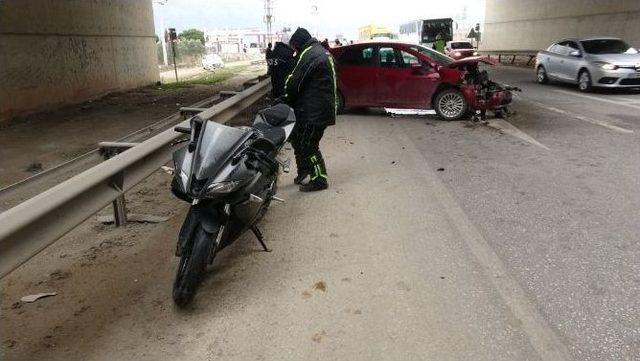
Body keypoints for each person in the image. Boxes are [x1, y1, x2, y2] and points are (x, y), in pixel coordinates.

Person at [284, 27, 337, 192]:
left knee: (308, 144)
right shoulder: (321, 51)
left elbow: (294, 82)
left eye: (294, 48)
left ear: (298, 44)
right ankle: (304, 171)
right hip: (319, 107)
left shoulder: (310, 55)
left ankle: (320, 179)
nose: (293, 52)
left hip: (314, 111)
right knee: (298, 139)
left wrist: (285, 97)